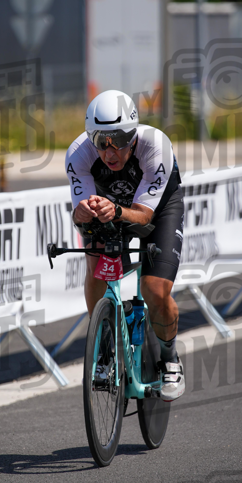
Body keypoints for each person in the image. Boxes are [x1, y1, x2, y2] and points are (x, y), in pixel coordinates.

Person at [66, 90, 185, 401]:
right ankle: (104, 349)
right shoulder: (78, 153)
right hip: (110, 208)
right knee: (96, 271)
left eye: (118, 138)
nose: (109, 150)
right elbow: (84, 215)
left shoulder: (155, 145)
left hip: (157, 210)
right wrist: (81, 213)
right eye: (100, 140)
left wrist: (116, 211)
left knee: (154, 290)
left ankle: (170, 357)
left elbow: (144, 218)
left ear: (133, 135)